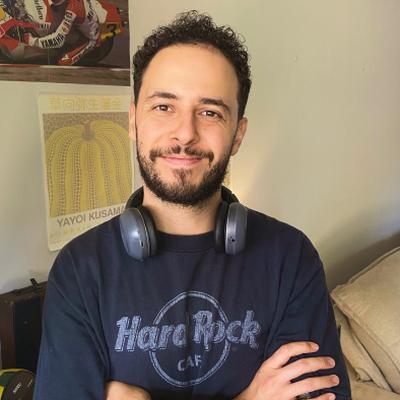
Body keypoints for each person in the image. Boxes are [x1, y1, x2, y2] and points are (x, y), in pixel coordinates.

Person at [33, 10, 351, 400]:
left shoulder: (290, 257)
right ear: (133, 121)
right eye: (163, 107)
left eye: (210, 112)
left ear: (238, 135)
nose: (185, 134)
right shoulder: (80, 270)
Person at [23, 0, 104, 65]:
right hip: (78, 21)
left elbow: (58, 40)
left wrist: (33, 41)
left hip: (90, 38)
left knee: (63, 62)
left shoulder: (72, 10)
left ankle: (83, 45)